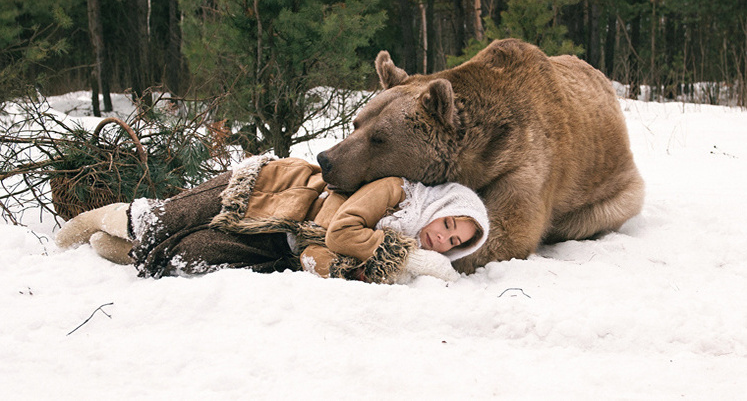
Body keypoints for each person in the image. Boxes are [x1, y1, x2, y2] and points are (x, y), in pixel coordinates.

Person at [56, 155, 489, 284]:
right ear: (440, 208)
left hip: (279, 244)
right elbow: (341, 231)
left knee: (188, 256)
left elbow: (330, 258)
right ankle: (95, 220)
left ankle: (116, 248)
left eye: (454, 244)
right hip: (274, 191)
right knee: (166, 219)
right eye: (449, 225)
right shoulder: (397, 191)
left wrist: (331, 267)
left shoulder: (395, 254)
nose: (442, 239)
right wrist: (405, 257)